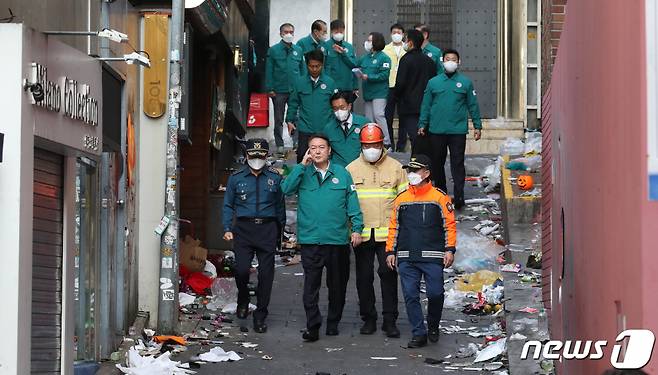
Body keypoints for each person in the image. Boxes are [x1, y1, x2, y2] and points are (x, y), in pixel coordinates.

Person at [281, 134, 364, 342]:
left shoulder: (342, 174)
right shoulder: (302, 173)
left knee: (338, 285)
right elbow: (285, 189)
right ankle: (313, 325)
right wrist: (301, 165)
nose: (317, 151)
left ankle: (333, 322)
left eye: (321, 147)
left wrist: (356, 228)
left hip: (337, 241)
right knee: (310, 286)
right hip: (311, 241)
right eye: (312, 148)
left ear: (329, 150)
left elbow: (352, 204)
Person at [385, 154, 456, 348]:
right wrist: (390, 251)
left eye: (415, 170)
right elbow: (394, 227)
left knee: (435, 294)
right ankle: (418, 333)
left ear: (427, 173)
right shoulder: (401, 199)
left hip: (433, 257)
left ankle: (433, 324)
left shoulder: (439, 197)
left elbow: (449, 225)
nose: (411, 174)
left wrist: (449, 250)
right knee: (410, 295)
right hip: (407, 256)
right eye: (410, 170)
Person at [346, 124, 406, 338]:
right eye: (367, 145)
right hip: (361, 234)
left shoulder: (396, 168)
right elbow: (346, 204)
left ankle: (390, 321)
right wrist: (350, 230)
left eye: (375, 145)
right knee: (363, 278)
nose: (371, 149)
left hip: (388, 236)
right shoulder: (351, 170)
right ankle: (368, 318)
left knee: (388, 276)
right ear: (361, 146)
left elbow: (404, 203)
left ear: (382, 145)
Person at [222, 139, 286, 333]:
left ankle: (261, 315)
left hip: (267, 229)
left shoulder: (275, 178)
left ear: (267, 157)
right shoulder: (236, 177)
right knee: (241, 270)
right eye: (253, 155)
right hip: (243, 229)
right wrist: (227, 228)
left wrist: (280, 233)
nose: (256, 159)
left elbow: (280, 206)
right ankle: (243, 297)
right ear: (247, 156)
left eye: (261, 156)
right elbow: (228, 205)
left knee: (266, 276)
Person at [417, 48, 482, 209]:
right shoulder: (433, 82)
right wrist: (422, 124)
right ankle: (441, 193)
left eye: (454, 59)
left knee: (457, 163)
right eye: (447, 59)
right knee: (437, 163)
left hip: (457, 131)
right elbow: (426, 105)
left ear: (459, 62)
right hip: (437, 130)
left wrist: (477, 125)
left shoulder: (466, 82)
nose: (450, 61)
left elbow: (473, 105)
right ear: (442, 61)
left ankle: (459, 196)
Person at [286, 49, 338, 163]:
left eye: (317, 66)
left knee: (325, 159)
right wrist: (289, 120)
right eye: (311, 66)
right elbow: (293, 102)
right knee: (303, 158)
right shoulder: (299, 82)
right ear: (306, 65)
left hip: (325, 128)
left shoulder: (330, 83)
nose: (314, 69)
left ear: (322, 65)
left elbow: (336, 105)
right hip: (305, 128)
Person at [265, 23, 305, 155]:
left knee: (296, 116)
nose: (289, 34)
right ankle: (279, 144)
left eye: (291, 32)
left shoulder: (298, 50)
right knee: (278, 118)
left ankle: (296, 142)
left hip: (295, 89)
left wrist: (304, 85)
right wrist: (270, 88)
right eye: (286, 32)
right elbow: (269, 70)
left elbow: (302, 70)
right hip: (279, 89)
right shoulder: (274, 50)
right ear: (281, 33)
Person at [394, 29, 436, 153]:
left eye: (405, 40)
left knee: (415, 138)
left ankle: (417, 164)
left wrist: (396, 96)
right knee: (425, 138)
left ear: (411, 43)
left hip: (409, 107)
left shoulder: (405, 60)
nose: (404, 42)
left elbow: (400, 83)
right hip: (427, 106)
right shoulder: (429, 61)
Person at [358, 32, 392, 149]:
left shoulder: (384, 58)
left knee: (379, 115)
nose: (367, 43)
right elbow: (354, 65)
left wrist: (369, 77)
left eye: (370, 41)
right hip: (368, 92)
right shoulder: (365, 58)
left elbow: (384, 75)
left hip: (380, 92)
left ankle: (387, 142)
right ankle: (372, 140)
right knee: (369, 118)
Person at [322, 91, 369, 167]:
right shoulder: (328, 129)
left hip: (361, 169)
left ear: (349, 106)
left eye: (342, 107)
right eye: (335, 109)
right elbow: (326, 154)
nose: (339, 111)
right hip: (338, 172)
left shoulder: (364, 123)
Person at [383, 23, 406, 150]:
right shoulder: (385, 49)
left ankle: (401, 146)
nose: (396, 34)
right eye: (394, 32)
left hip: (403, 87)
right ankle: (389, 143)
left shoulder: (407, 49)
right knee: (388, 117)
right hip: (389, 86)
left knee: (403, 117)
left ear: (403, 34)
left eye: (399, 32)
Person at [325, 19, 358, 103]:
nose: (339, 34)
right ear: (331, 31)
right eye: (336, 32)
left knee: (348, 113)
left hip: (348, 87)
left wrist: (355, 87)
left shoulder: (349, 47)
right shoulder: (325, 46)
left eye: (341, 31)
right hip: (332, 87)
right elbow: (323, 67)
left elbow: (354, 66)